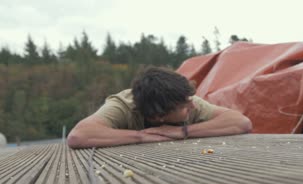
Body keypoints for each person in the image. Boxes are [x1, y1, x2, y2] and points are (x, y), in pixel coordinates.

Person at [67, 66, 252, 149]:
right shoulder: (123, 104)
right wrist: (141, 136)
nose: (193, 105)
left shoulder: (187, 100)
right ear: (158, 116)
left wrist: (184, 131)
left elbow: (241, 122)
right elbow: (79, 135)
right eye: (184, 106)